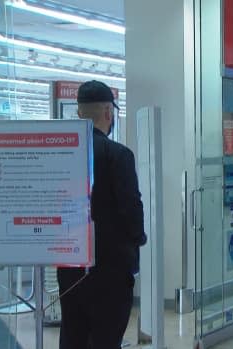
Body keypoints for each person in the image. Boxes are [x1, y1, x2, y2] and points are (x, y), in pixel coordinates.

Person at [57, 80, 146, 349]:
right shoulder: (118, 155)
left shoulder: (62, 154)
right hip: (111, 268)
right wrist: (138, 238)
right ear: (108, 113)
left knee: (73, 334)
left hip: (70, 264)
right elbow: (131, 207)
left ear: (79, 113)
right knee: (106, 338)